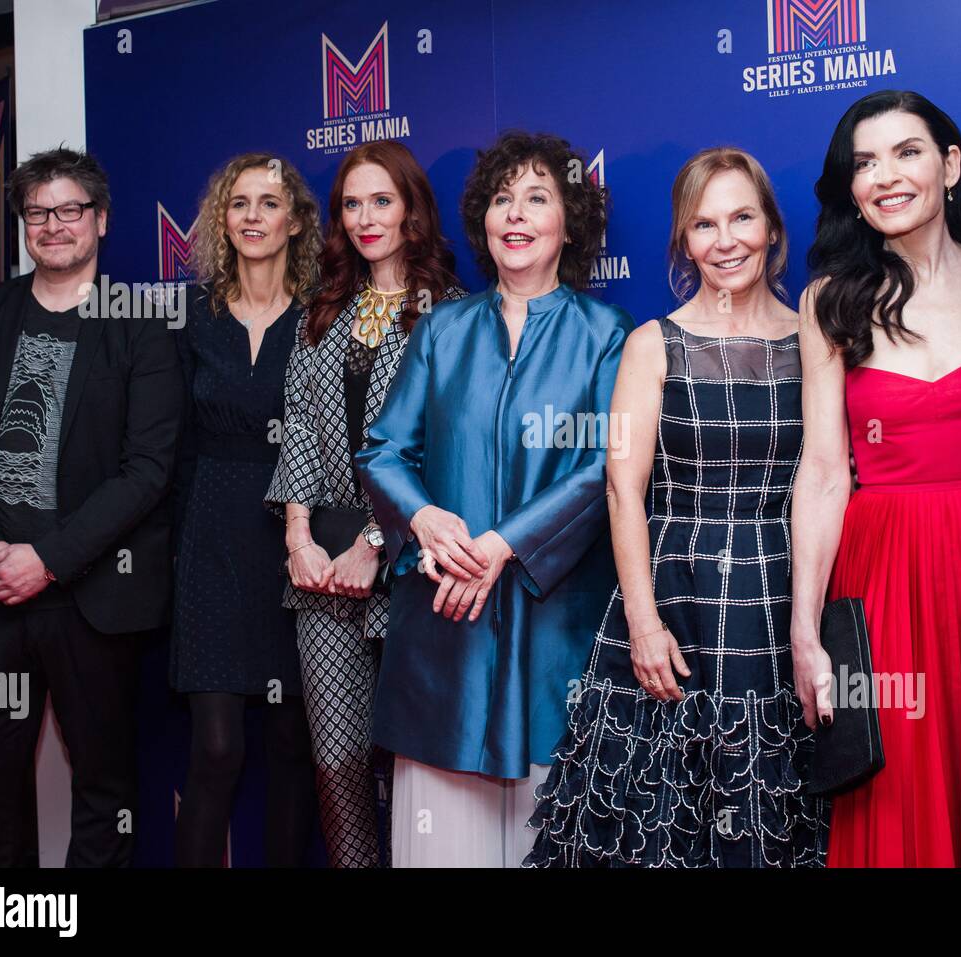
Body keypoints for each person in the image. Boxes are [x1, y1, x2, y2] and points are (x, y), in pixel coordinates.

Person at [525, 147, 829, 867]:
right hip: (675, 592)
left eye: (741, 218)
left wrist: (809, 624)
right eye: (704, 225)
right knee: (656, 820)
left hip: (776, 592)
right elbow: (622, 490)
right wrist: (642, 623)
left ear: (773, 228)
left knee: (765, 812)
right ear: (683, 242)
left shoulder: (813, 339)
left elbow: (825, 473)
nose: (725, 241)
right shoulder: (651, 345)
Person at [356, 130, 634, 868]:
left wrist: (504, 544)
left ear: (569, 223)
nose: (516, 214)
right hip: (448, 623)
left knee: (552, 830)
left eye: (537, 198)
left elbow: (607, 460)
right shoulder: (442, 330)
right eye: (502, 199)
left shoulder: (607, 334)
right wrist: (421, 515)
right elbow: (384, 449)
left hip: (556, 628)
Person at [791, 90, 961, 867]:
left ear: (949, 165)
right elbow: (826, 471)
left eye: (906, 153)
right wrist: (805, 626)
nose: (885, 176)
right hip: (888, 575)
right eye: (864, 162)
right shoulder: (830, 301)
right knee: (903, 785)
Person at [0, 147, 183, 866]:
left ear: (100, 219)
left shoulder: (142, 323)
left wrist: (50, 558)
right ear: (22, 225)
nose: (53, 225)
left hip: (92, 593)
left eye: (70, 209)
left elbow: (148, 470)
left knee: (105, 789)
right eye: (38, 212)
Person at [265, 141, 466, 868]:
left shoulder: (450, 316)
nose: (365, 217)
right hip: (319, 574)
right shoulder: (322, 312)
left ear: (411, 208)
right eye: (352, 203)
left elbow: (447, 454)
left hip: (411, 567)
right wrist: (297, 539)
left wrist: (378, 544)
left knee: (412, 761)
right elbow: (299, 431)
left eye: (381, 200)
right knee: (338, 762)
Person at [169, 153, 321, 867]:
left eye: (269, 202)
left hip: (296, 540)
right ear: (222, 221)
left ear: (294, 219)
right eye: (240, 203)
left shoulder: (324, 315)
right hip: (210, 542)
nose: (254, 216)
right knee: (218, 748)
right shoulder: (195, 318)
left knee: (292, 745)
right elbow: (176, 446)